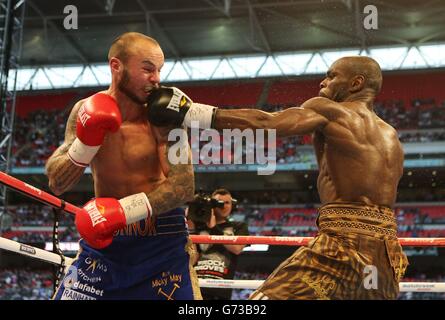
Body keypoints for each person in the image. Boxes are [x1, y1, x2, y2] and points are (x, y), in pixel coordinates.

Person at [146, 56, 409, 299]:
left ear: (356, 83)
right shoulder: (391, 136)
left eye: (331, 76)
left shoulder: (330, 110)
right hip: (387, 255)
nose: (323, 81)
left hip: (343, 242)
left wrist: (191, 112)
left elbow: (265, 123)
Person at [45, 32, 201, 300]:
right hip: (104, 240)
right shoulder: (84, 109)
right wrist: (86, 143)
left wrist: (122, 212)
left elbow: (183, 186)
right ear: (116, 66)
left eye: (159, 70)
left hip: (160, 241)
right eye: (147, 69)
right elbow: (57, 183)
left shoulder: (164, 116)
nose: (156, 79)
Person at [191, 188, 249, 300]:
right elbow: (193, 257)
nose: (224, 206)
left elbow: (237, 249)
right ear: (212, 205)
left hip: (219, 290)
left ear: (233, 205)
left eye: (227, 203)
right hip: (197, 285)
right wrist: (191, 229)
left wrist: (214, 228)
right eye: (220, 203)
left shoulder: (239, 226)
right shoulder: (199, 226)